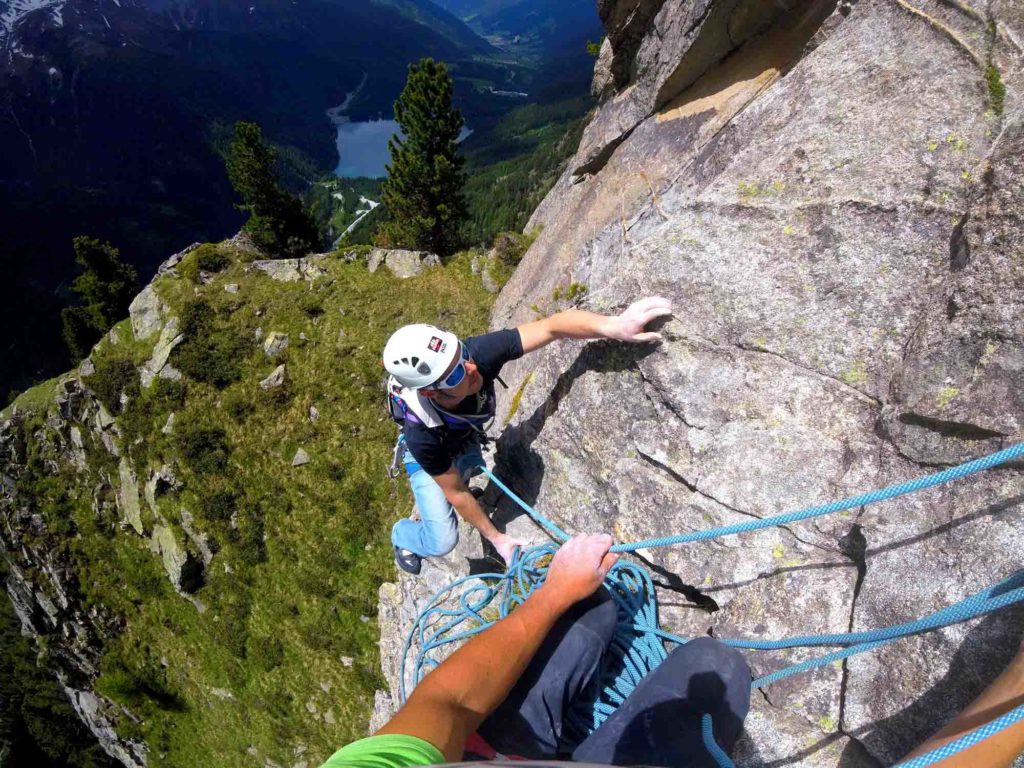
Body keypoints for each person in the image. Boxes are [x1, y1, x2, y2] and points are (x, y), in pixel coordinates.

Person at [318, 534, 1024, 767]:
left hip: (490, 748)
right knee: (716, 669)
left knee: (591, 606)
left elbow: (447, 700)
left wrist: (555, 591)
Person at [383, 297, 673, 574]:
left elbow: (552, 327)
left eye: (461, 354)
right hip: (431, 454)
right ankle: (403, 535)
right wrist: (498, 539)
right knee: (443, 540)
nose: (470, 369)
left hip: (461, 434)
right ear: (431, 392)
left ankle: (458, 479)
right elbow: (456, 492)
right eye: (455, 375)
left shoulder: (477, 355)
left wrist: (613, 325)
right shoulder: (421, 435)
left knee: (469, 467)